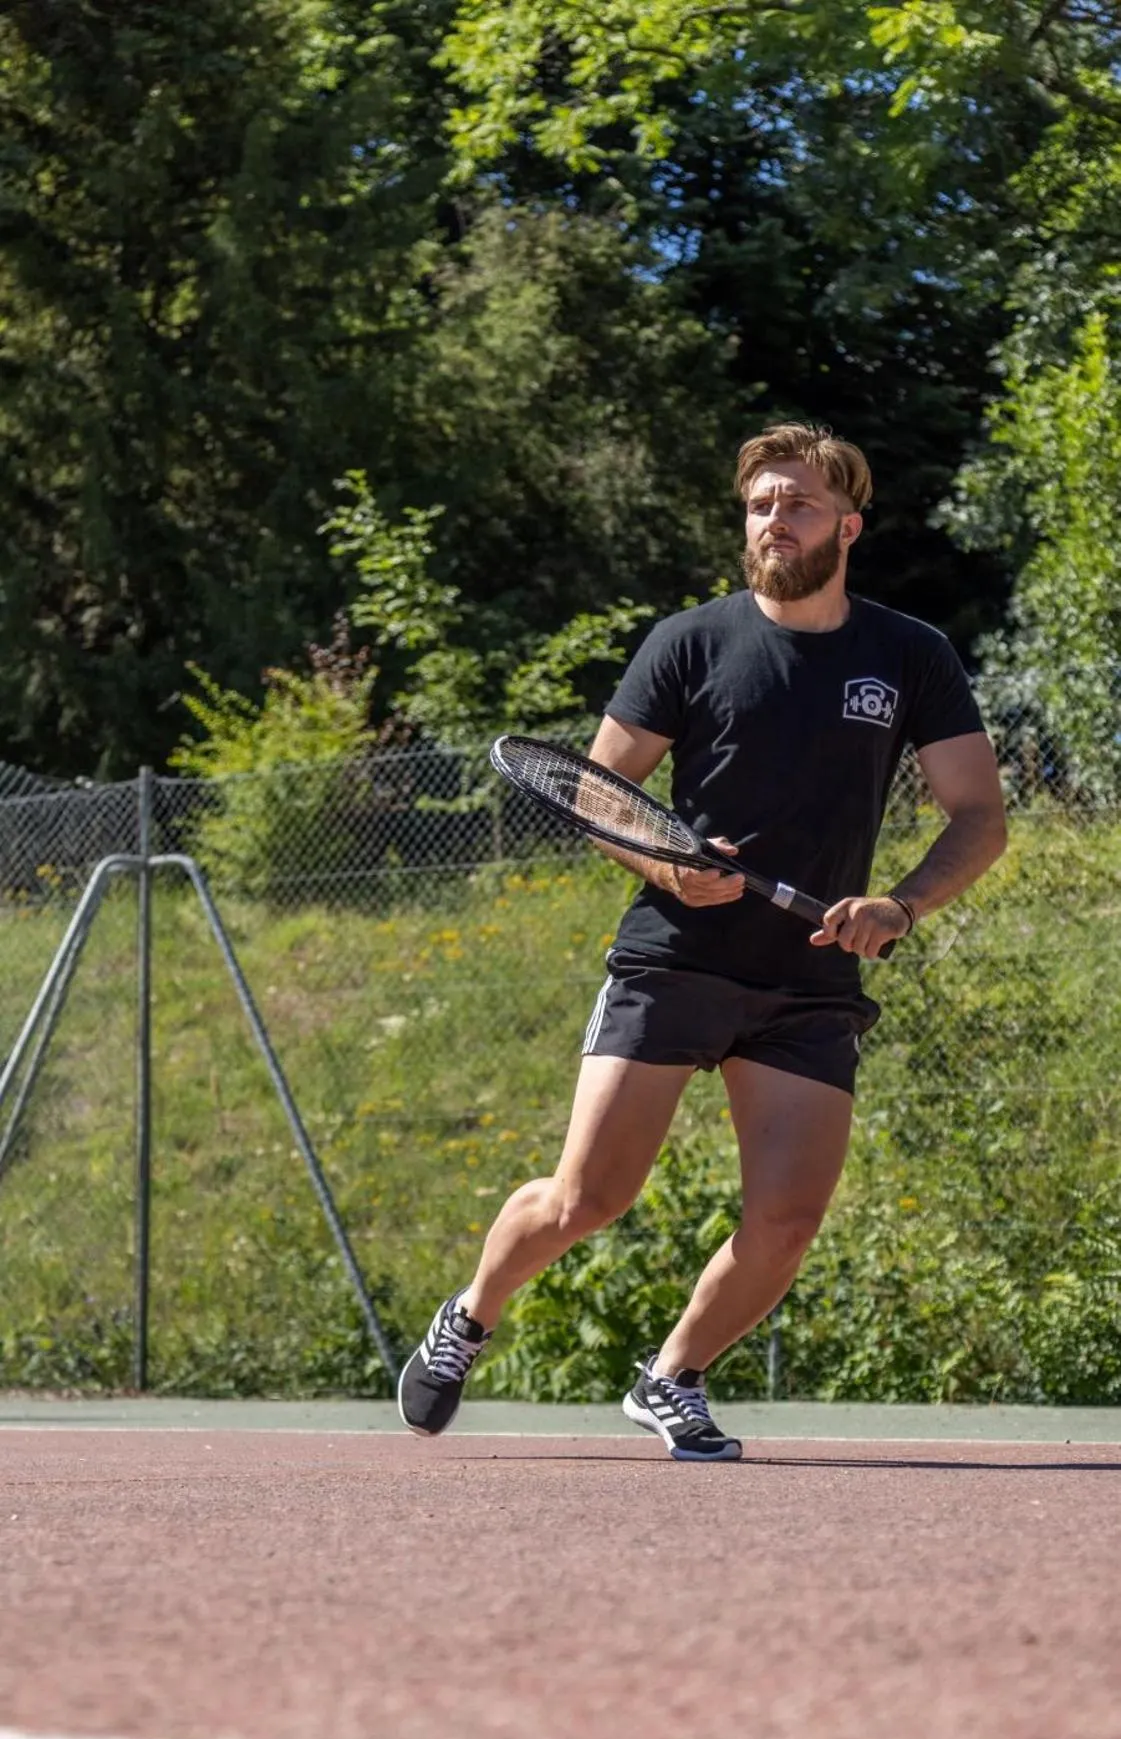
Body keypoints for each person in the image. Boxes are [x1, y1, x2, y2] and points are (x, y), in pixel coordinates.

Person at [397, 422, 1008, 1460]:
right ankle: (469, 1314)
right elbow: (598, 796)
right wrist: (668, 866)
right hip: (674, 957)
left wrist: (896, 905)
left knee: (785, 1222)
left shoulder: (908, 654)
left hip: (810, 977)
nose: (774, 519)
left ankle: (670, 1374)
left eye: (798, 503)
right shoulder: (687, 640)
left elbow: (977, 815)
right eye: (760, 502)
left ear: (846, 526)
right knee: (589, 1196)